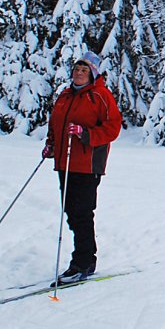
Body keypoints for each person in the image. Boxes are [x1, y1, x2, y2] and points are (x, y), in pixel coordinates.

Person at [42, 51, 123, 283]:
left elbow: (113, 128)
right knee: (71, 212)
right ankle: (85, 260)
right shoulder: (65, 95)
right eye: (77, 69)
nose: (79, 73)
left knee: (82, 213)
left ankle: (83, 262)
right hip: (64, 161)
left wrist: (85, 134)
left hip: (88, 163)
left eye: (84, 70)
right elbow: (56, 123)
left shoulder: (100, 96)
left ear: (93, 74)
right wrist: (50, 144)